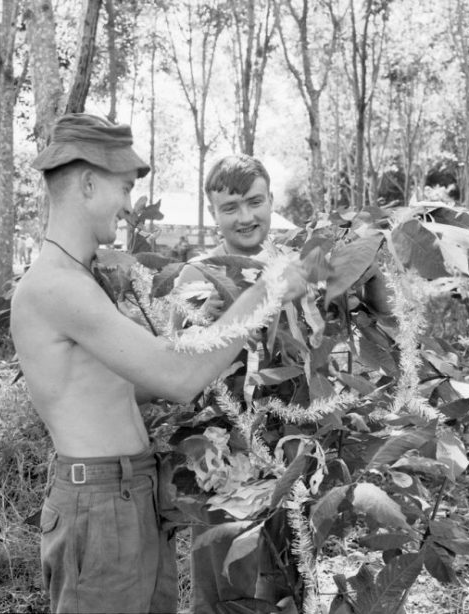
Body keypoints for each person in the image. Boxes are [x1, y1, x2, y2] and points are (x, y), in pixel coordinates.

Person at [9, 114, 309, 614]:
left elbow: (132, 388)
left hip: (132, 490)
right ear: (87, 183)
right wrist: (267, 291)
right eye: (124, 188)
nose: (130, 206)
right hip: (100, 502)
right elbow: (175, 378)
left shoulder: (82, 281)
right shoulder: (56, 285)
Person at [174, 154, 393, 613]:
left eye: (255, 202)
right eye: (230, 207)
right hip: (223, 457)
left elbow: (378, 311)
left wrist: (366, 258)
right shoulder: (199, 274)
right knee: (222, 584)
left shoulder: (298, 262)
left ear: (272, 200)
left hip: (292, 451)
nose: (246, 216)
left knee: (284, 578)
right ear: (212, 213)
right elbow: (181, 364)